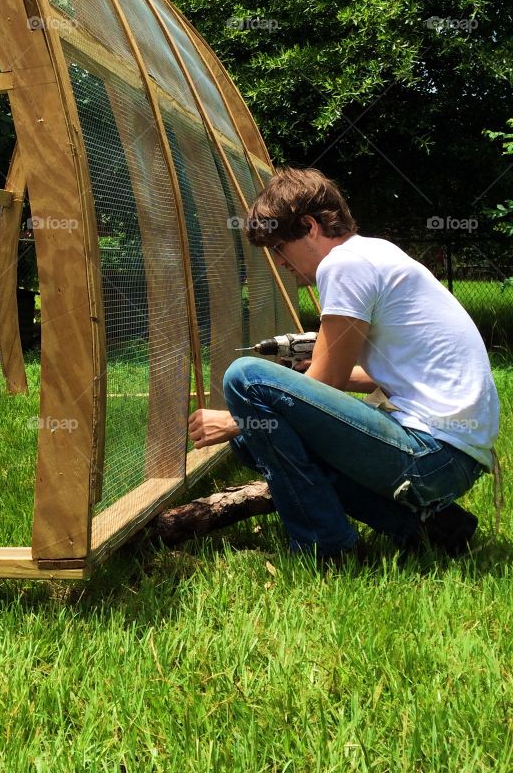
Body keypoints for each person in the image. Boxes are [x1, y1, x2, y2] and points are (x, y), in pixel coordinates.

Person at [187, 167, 500, 566]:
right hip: (455, 457)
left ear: (309, 225)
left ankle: (325, 547)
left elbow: (329, 380)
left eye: (280, 246)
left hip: (431, 454)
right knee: (255, 438)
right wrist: (293, 387)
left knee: (245, 378)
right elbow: (384, 374)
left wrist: (236, 418)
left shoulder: (343, 265)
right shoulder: (375, 252)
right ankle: (434, 529)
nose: (279, 261)